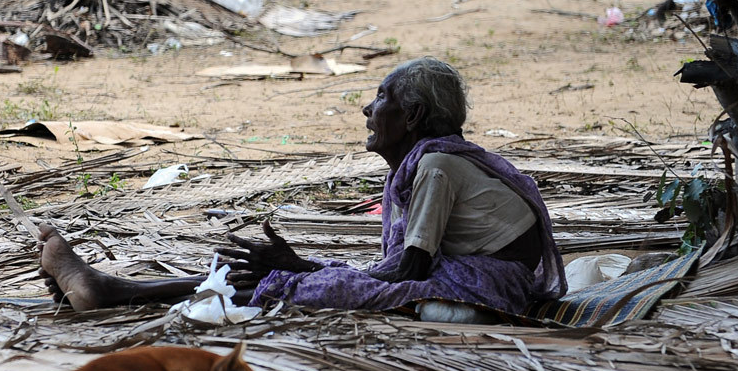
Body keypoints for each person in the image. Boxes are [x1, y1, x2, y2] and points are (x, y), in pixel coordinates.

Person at [37, 57, 566, 320]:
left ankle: (113, 293)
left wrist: (307, 269)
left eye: (379, 97)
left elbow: (410, 270)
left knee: (321, 287)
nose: (367, 109)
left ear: (412, 115)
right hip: (473, 276)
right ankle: (114, 290)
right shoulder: (430, 163)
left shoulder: (437, 167)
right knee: (307, 277)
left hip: (490, 287)